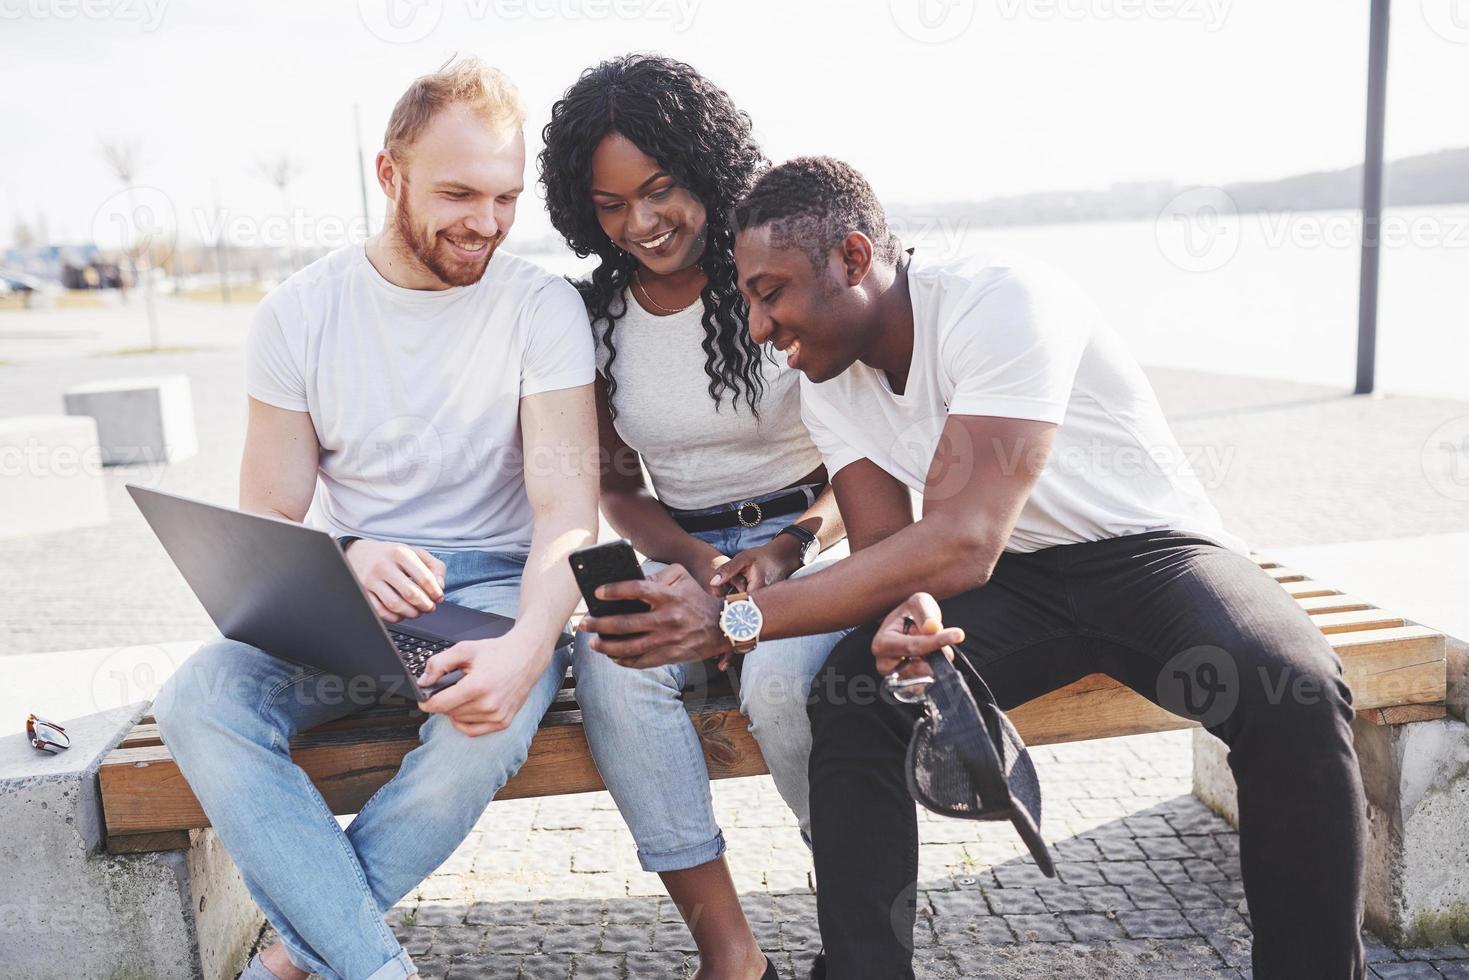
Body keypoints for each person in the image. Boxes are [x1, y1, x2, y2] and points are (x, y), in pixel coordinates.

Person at [579, 156, 1367, 980]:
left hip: (1149, 555)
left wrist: (732, 620)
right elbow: (895, 554)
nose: (758, 327)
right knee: (851, 699)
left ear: (853, 258)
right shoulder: (829, 380)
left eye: (769, 292)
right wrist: (898, 619)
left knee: (1294, 686)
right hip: (1010, 584)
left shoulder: (1003, 300)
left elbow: (965, 535)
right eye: (745, 297)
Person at [153, 59, 599, 980]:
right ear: (388, 173)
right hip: (350, 595)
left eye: (506, 198)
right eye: (458, 192)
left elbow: (566, 514)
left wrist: (525, 647)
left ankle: (300, 962)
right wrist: (348, 553)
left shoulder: (540, 308)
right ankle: (371, 966)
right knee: (199, 700)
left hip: (498, 584)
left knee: (484, 725)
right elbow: (269, 514)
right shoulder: (297, 314)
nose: (485, 221)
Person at [539, 54, 846, 980]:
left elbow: (863, 462)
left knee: (780, 683)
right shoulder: (593, 317)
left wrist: (786, 550)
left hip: (817, 543)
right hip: (682, 548)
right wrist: (690, 565)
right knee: (611, 661)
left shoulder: (769, 274)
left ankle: (851, 891)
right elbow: (617, 483)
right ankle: (730, 950)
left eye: (660, 188)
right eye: (609, 205)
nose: (640, 222)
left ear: (706, 168)